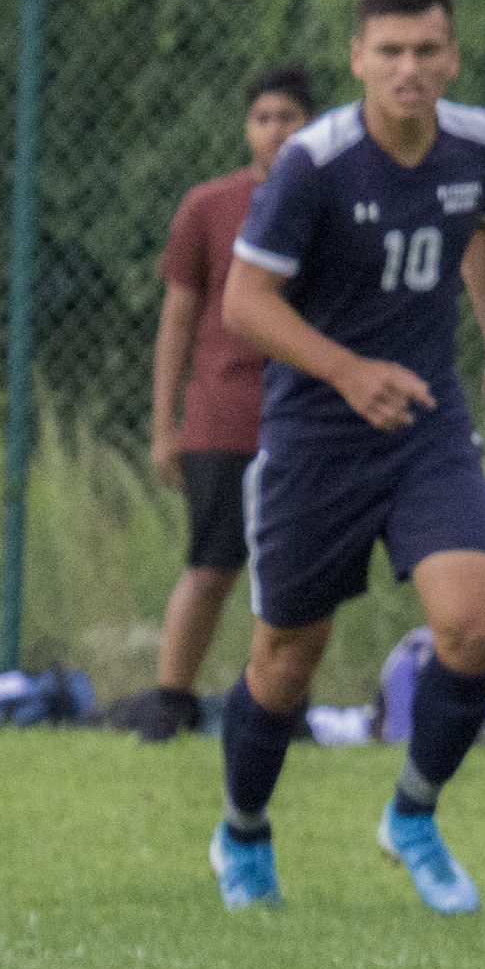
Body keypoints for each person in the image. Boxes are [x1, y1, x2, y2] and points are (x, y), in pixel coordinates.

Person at [211, 0, 485, 913]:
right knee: (285, 663)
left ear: (452, 57)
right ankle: (242, 833)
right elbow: (244, 304)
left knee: (472, 625)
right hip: (316, 438)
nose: (408, 68)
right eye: (388, 51)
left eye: (426, 51)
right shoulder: (315, 163)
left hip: (426, 426)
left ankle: (414, 815)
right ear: (357, 58)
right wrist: (348, 372)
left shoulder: (481, 146)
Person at [142, 66, 315, 742]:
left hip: (302, 420)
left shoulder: (329, 203)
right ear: (248, 128)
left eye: (289, 117)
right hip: (222, 417)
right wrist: (165, 427)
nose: (275, 130)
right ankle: (172, 699)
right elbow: (177, 320)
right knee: (211, 564)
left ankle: (282, 705)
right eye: (264, 117)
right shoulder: (209, 207)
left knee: (297, 572)